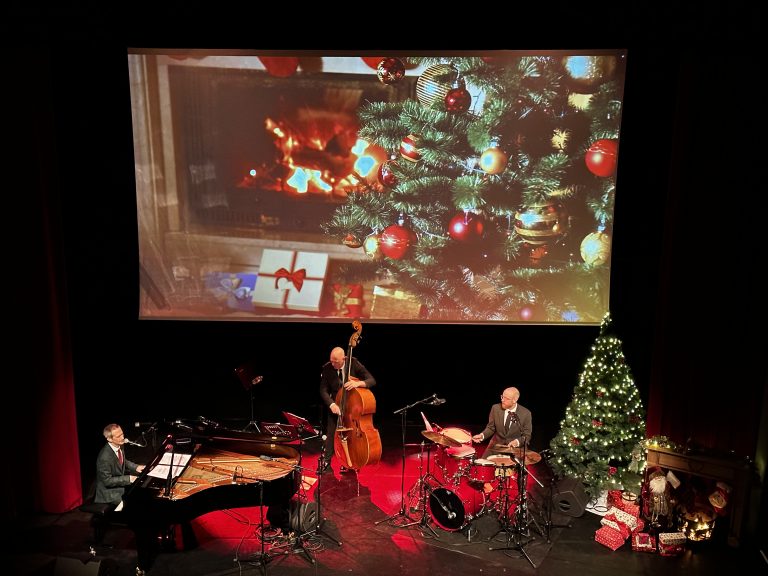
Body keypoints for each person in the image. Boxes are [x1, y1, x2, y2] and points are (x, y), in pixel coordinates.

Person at [319, 346, 376, 472]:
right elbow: (323, 390)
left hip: (352, 407)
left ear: (344, 359)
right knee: (331, 434)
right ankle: (327, 462)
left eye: (336, 362)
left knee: (351, 436)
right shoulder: (328, 368)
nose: (332, 364)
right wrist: (332, 404)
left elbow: (371, 380)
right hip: (336, 406)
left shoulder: (353, 363)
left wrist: (357, 383)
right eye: (331, 361)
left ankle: (350, 462)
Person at [471, 387, 532, 459]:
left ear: (515, 400)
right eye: (502, 396)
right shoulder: (495, 408)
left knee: (516, 469)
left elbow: (527, 436)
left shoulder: (526, 413)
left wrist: (517, 442)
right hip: (496, 445)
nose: (502, 400)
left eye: (507, 398)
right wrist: (482, 435)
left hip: (516, 450)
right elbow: (491, 428)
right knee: (483, 465)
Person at [94, 423, 145, 506]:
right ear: (109, 439)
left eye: (122, 434)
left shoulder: (120, 445)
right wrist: (128, 479)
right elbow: (107, 481)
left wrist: (136, 467)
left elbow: (122, 460)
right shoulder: (104, 458)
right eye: (118, 436)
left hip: (118, 485)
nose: (122, 438)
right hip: (109, 493)